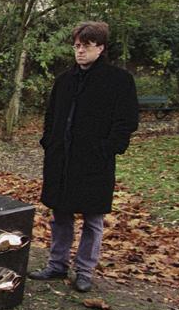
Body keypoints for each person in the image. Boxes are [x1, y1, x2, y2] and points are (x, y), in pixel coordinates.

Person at [30, 21, 139, 293]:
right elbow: (51, 116)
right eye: (77, 46)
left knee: (93, 219)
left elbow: (127, 121)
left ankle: (85, 271)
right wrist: (49, 142)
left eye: (86, 46)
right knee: (61, 214)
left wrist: (108, 148)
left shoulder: (119, 80)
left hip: (94, 162)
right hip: (62, 160)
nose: (79, 51)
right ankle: (57, 264)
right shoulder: (65, 80)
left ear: (100, 48)